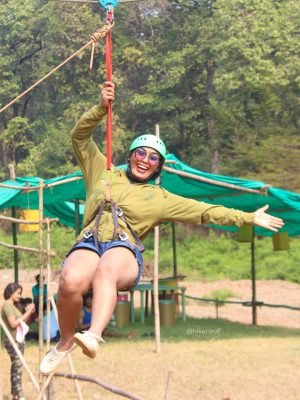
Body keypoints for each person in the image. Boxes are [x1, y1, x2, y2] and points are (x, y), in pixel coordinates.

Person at [40, 81, 284, 375]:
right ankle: (65, 341)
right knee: (69, 280)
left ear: (158, 167)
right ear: (130, 155)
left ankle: (92, 336)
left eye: (153, 158)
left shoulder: (159, 198)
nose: (145, 160)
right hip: (91, 241)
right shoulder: (102, 171)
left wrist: (246, 218)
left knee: (107, 267)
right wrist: (100, 109)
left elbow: (205, 211)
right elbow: (79, 137)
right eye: (140, 153)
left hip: (123, 250)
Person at [1, 283, 35, 400]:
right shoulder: (7, 305)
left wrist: (29, 312)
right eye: (18, 293)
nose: (20, 296)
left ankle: (15, 395)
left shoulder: (13, 306)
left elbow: (23, 322)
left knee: (15, 367)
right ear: (11, 292)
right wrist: (27, 312)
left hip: (18, 340)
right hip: (12, 340)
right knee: (18, 367)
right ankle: (20, 395)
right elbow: (13, 324)